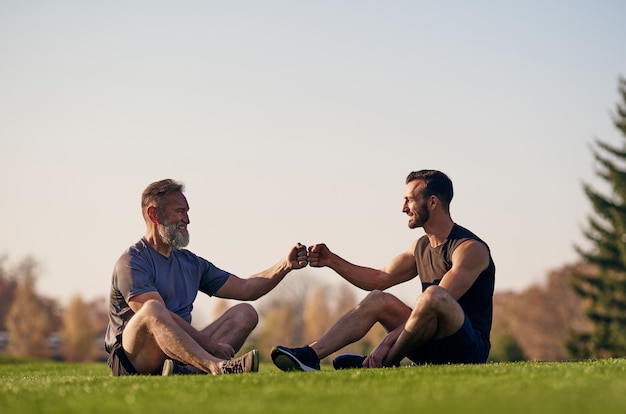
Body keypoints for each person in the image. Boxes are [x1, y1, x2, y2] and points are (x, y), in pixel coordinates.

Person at [271, 169, 495, 371]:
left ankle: (381, 362)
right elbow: (379, 278)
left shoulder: (469, 249)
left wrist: (386, 344)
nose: (403, 208)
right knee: (378, 298)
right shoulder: (420, 247)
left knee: (433, 296)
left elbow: (436, 305)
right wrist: (332, 260)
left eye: (409, 200)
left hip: (466, 350)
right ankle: (310, 355)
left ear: (433, 202)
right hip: (428, 343)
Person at [105, 179, 308, 376]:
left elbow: (246, 289)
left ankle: (187, 371)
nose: (187, 219)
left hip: (180, 353)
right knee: (153, 308)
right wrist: (210, 346)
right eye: (180, 212)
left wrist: (285, 265)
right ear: (154, 214)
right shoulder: (132, 262)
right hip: (134, 359)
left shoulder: (191, 263)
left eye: (187, 212)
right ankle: (215, 366)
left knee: (245, 313)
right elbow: (153, 315)